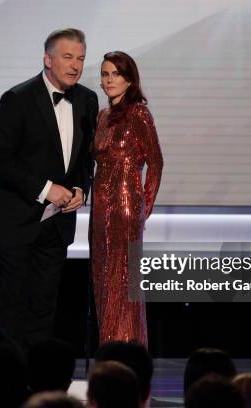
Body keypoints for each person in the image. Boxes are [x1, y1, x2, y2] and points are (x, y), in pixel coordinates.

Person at [0, 28, 98, 350]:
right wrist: (46, 189)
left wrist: (80, 188)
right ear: (48, 59)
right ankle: (9, 382)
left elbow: (85, 158)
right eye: (67, 57)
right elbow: (0, 157)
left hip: (59, 222)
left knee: (44, 305)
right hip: (18, 219)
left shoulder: (88, 100)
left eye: (80, 58)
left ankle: (40, 383)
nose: (75, 65)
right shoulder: (18, 98)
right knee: (13, 305)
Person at [91, 51, 163, 347]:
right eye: (105, 74)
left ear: (129, 79)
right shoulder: (103, 116)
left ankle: (129, 351)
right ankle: (108, 348)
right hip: (99, 206)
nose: (108, 80)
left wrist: (143, 207)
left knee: (124, 282)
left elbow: (156, 162)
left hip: (125, 206)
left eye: (115, 74)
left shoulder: (139, 114)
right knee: (103, 278)